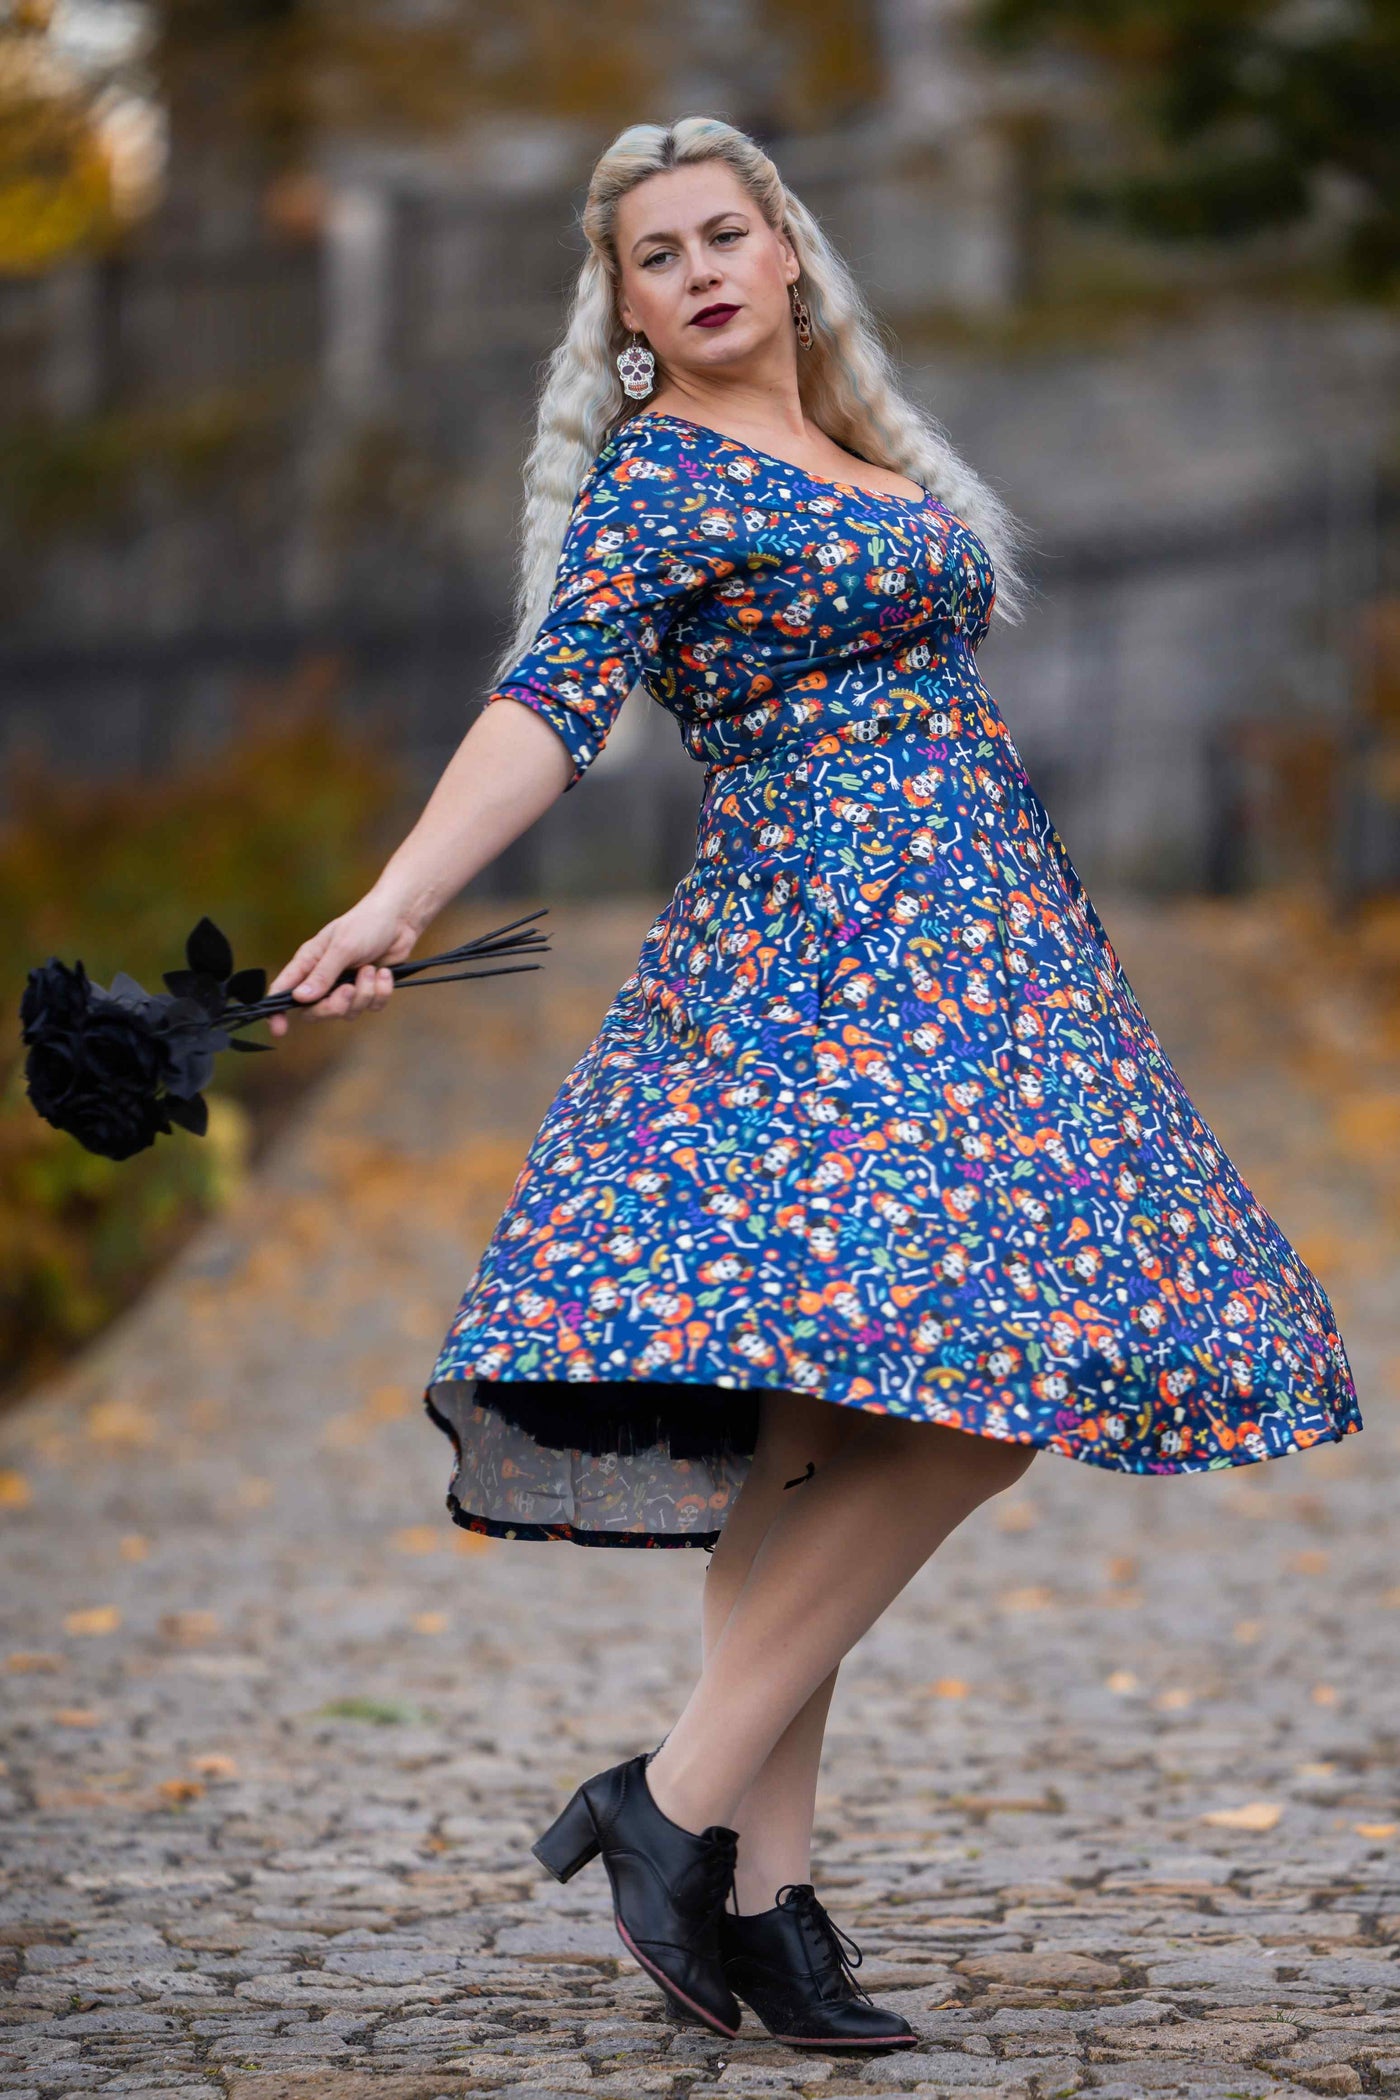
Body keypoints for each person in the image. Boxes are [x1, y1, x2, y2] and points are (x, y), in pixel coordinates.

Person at [266, 116, 1364, 2055]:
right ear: (619, 312)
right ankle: (671, 1810)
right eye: (651, 256)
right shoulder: (663, 487)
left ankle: (763, 1903)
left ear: (786, 254)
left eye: (721, 233)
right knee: (982, 1394)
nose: (693, 269)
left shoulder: (872, 459)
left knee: (846, 1419)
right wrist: (394, 895)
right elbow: (547, 706)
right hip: (817, 983)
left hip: (994, 967)